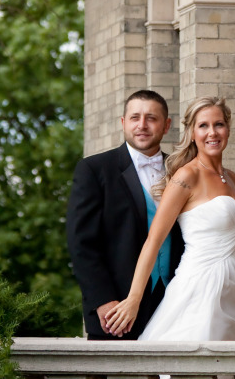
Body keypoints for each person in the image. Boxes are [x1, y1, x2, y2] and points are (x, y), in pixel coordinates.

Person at [100, 96, 235, 379]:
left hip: (229, 295)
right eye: (203, 125)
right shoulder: (186, 176)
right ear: (191, 132)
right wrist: (133, 299)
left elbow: (229, 231)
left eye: (218, 124)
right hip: (199, 290)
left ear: (228, 128)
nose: (212, 132)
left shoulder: (230, 177)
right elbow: (153, 242)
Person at [66, 89, 184, 339]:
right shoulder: (94, 169)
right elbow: (81, 245)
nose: (142, 125)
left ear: (166, 125)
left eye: (151, 118)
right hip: (117, 308)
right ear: (123, 123)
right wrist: (103, 300)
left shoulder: (182, 171)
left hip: (176, 301)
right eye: (134, 118)